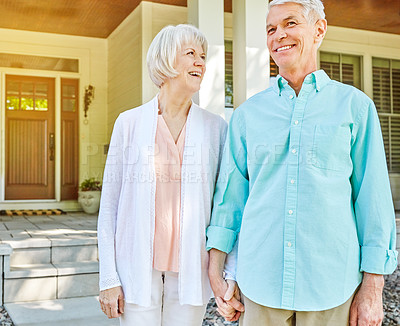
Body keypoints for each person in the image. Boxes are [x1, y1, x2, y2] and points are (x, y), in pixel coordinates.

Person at [206, 0, 398, 325]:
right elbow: (230, 201)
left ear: (319, 30)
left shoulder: (356, 108)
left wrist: (373, 286)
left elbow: (373, 203)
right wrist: (215, 269)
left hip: (332, 287)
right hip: (260, 283)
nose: (279, 35)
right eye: (271, 28)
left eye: (290, 23)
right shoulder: (246, 116)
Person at [97, 24, 227, 326]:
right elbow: (109, 208)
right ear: (167, 60)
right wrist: (108, 277)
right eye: (190, 54)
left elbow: (225, 205)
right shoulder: (128, 123)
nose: (200, 62)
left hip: (191, 267)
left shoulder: (215, 128)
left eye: (203, 56)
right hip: (136, 268)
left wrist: (225, 271)